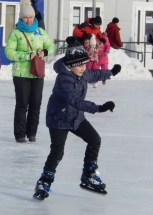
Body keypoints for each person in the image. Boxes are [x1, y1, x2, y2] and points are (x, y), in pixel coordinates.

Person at [33, 36, 121, 201]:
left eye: (84, 64)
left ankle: (88, 175)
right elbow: (76, 101)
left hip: (75, 117)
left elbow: (93, 73)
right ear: (70, 65)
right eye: (80, 65)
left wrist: (110, 73)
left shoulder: (82, 72)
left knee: (95, 140)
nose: (83, 68)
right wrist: (98, 108)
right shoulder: (64, 80)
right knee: (57, 152)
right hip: (59, 119)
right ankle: (44, 182)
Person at [5, 0, 54, 143]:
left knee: (36, 103)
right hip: (21, 73)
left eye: (31, 17)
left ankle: (32, 133)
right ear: (21, 18)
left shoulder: (40, 32)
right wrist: (26, 55)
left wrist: (44, 52)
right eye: (26, 17)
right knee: (22, 104)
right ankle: (20, 134)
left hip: (37, 73)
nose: (29, 20)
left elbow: (51, 47)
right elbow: (9, 53)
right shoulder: (15, 33)